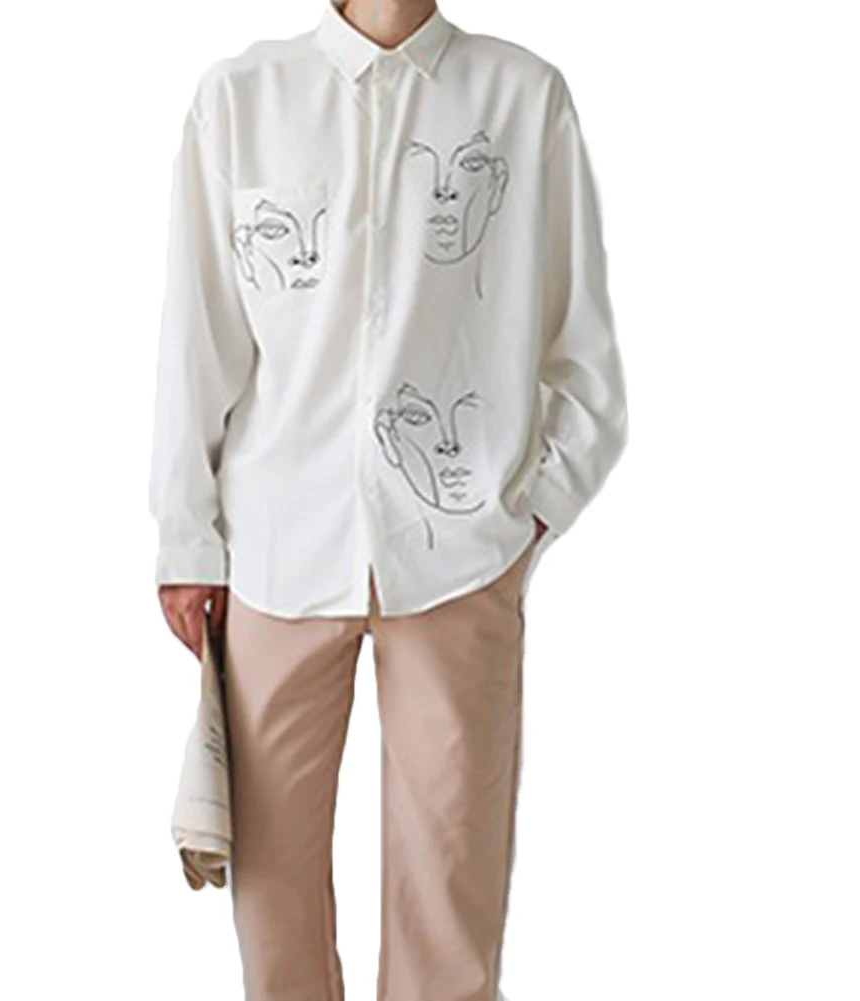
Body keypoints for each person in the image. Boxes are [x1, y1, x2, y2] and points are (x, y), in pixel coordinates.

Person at [148, 0, 628, 998]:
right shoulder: (241, 99)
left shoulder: (521, 97)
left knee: (449, 900)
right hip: (275, 550)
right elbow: (196, 344)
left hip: (459, 558)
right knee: (270, 898)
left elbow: (581, 359)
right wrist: (186, 539)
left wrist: (526, 515)